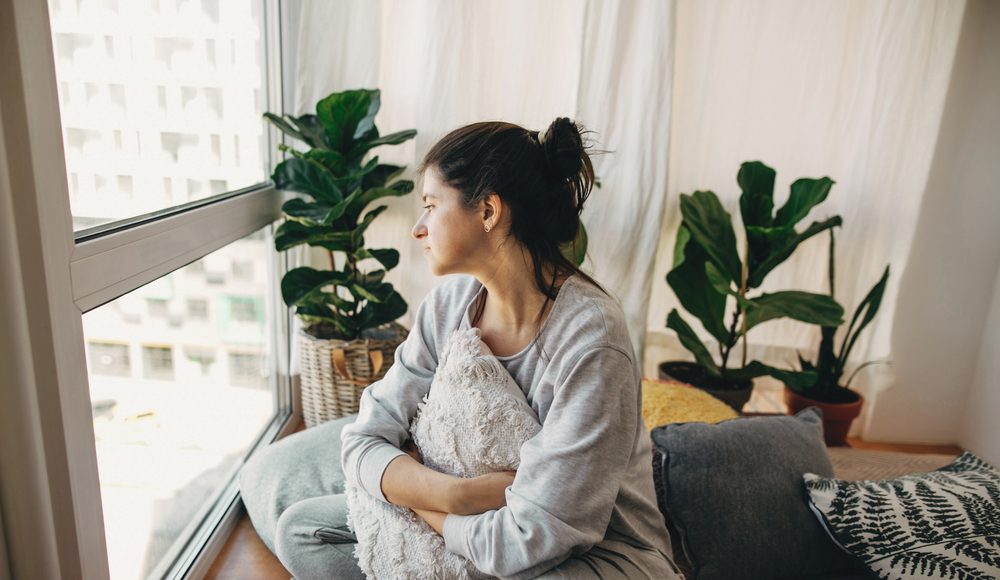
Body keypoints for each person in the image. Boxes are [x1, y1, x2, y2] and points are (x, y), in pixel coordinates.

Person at [241, 118, 683, 579]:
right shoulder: (449, 306)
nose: (418, 228)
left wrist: (420, 502)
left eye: (431, 205)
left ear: (488, 211)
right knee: (304, 529)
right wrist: (456, 495)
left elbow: (531, 538)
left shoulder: (592, 341)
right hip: (470, 521)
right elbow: (361, 439)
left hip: (591, 557)